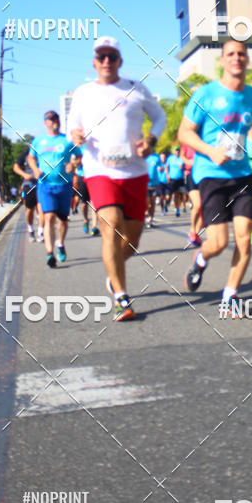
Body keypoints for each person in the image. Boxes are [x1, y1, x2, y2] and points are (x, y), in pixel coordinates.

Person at [179, 38, 252, 312]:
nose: (236, 58)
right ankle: (200, 260)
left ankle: (230, 296)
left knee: (244, 238)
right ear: (223, 60)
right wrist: (210, 151)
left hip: (242, 175)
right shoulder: (206, 94)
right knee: (218, 243)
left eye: (241, 54)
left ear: (246, 59)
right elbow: (184, 133)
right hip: (211, 175)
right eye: (231, 53)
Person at [68, 36, 166, 321]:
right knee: (110, 225)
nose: (107, 61)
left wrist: (151, 140)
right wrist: (75, 135)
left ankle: (113, 274)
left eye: (112, 56)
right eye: (102, 56)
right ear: (94, 62)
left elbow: (160, 118)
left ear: (120, 61)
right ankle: (122, 298)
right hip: (100, 171)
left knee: (132, 242)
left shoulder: (136, 88)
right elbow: (72, 126)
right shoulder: (83, 93)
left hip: (135, 172)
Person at [28, 110, 75, 267]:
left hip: (64, 185)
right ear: (45, 123)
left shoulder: (67, 140)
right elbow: (31, 157)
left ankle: (60, 243)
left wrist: (73, 164)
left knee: (63, 220)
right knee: (48, 217)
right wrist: (35, 169)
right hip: (45, 185)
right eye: (50, 119)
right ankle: (50, 253)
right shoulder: (38, 141)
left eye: (55, 119)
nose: (54, 122)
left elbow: (79, 155)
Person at [13, 143, 44, 242]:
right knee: (30, 209)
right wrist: (24, 174)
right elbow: (15, 167)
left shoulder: (43, 154)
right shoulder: (24, 155)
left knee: (42, 209)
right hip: (29, 184)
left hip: (42, 184)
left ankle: (40, 232)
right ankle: (30, 229)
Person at [182, 142, 202, 246]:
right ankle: (193, 229)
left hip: (204, 175)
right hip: (191, 174)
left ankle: (196, 234)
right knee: (198, 204)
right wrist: (188, 162)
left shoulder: (205, 139)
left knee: (205, 207)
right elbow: (182, 156)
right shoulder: (187, 141)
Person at [166, 147, 186, 216]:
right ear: (174, 151)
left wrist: (183, 168)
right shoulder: (170, 158)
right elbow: (167, 167)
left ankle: (177, 209)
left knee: (178, 195)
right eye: (176, 150)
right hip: (172, 179)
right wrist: (167, 175)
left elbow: (186, 167)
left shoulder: (182, 158)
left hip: (180, 179)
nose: (177, 152)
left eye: (178, 150)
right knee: (169, 196)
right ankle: (167, 203)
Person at [145, 150, 163, 228]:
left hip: (154, 184)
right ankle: (146, 214)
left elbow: (161, 166)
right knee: (147, 203)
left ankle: (150, 219)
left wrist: (161, 168)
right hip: (145, 183)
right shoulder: (143, 156)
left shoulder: (156, 157)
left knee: (152, 203)